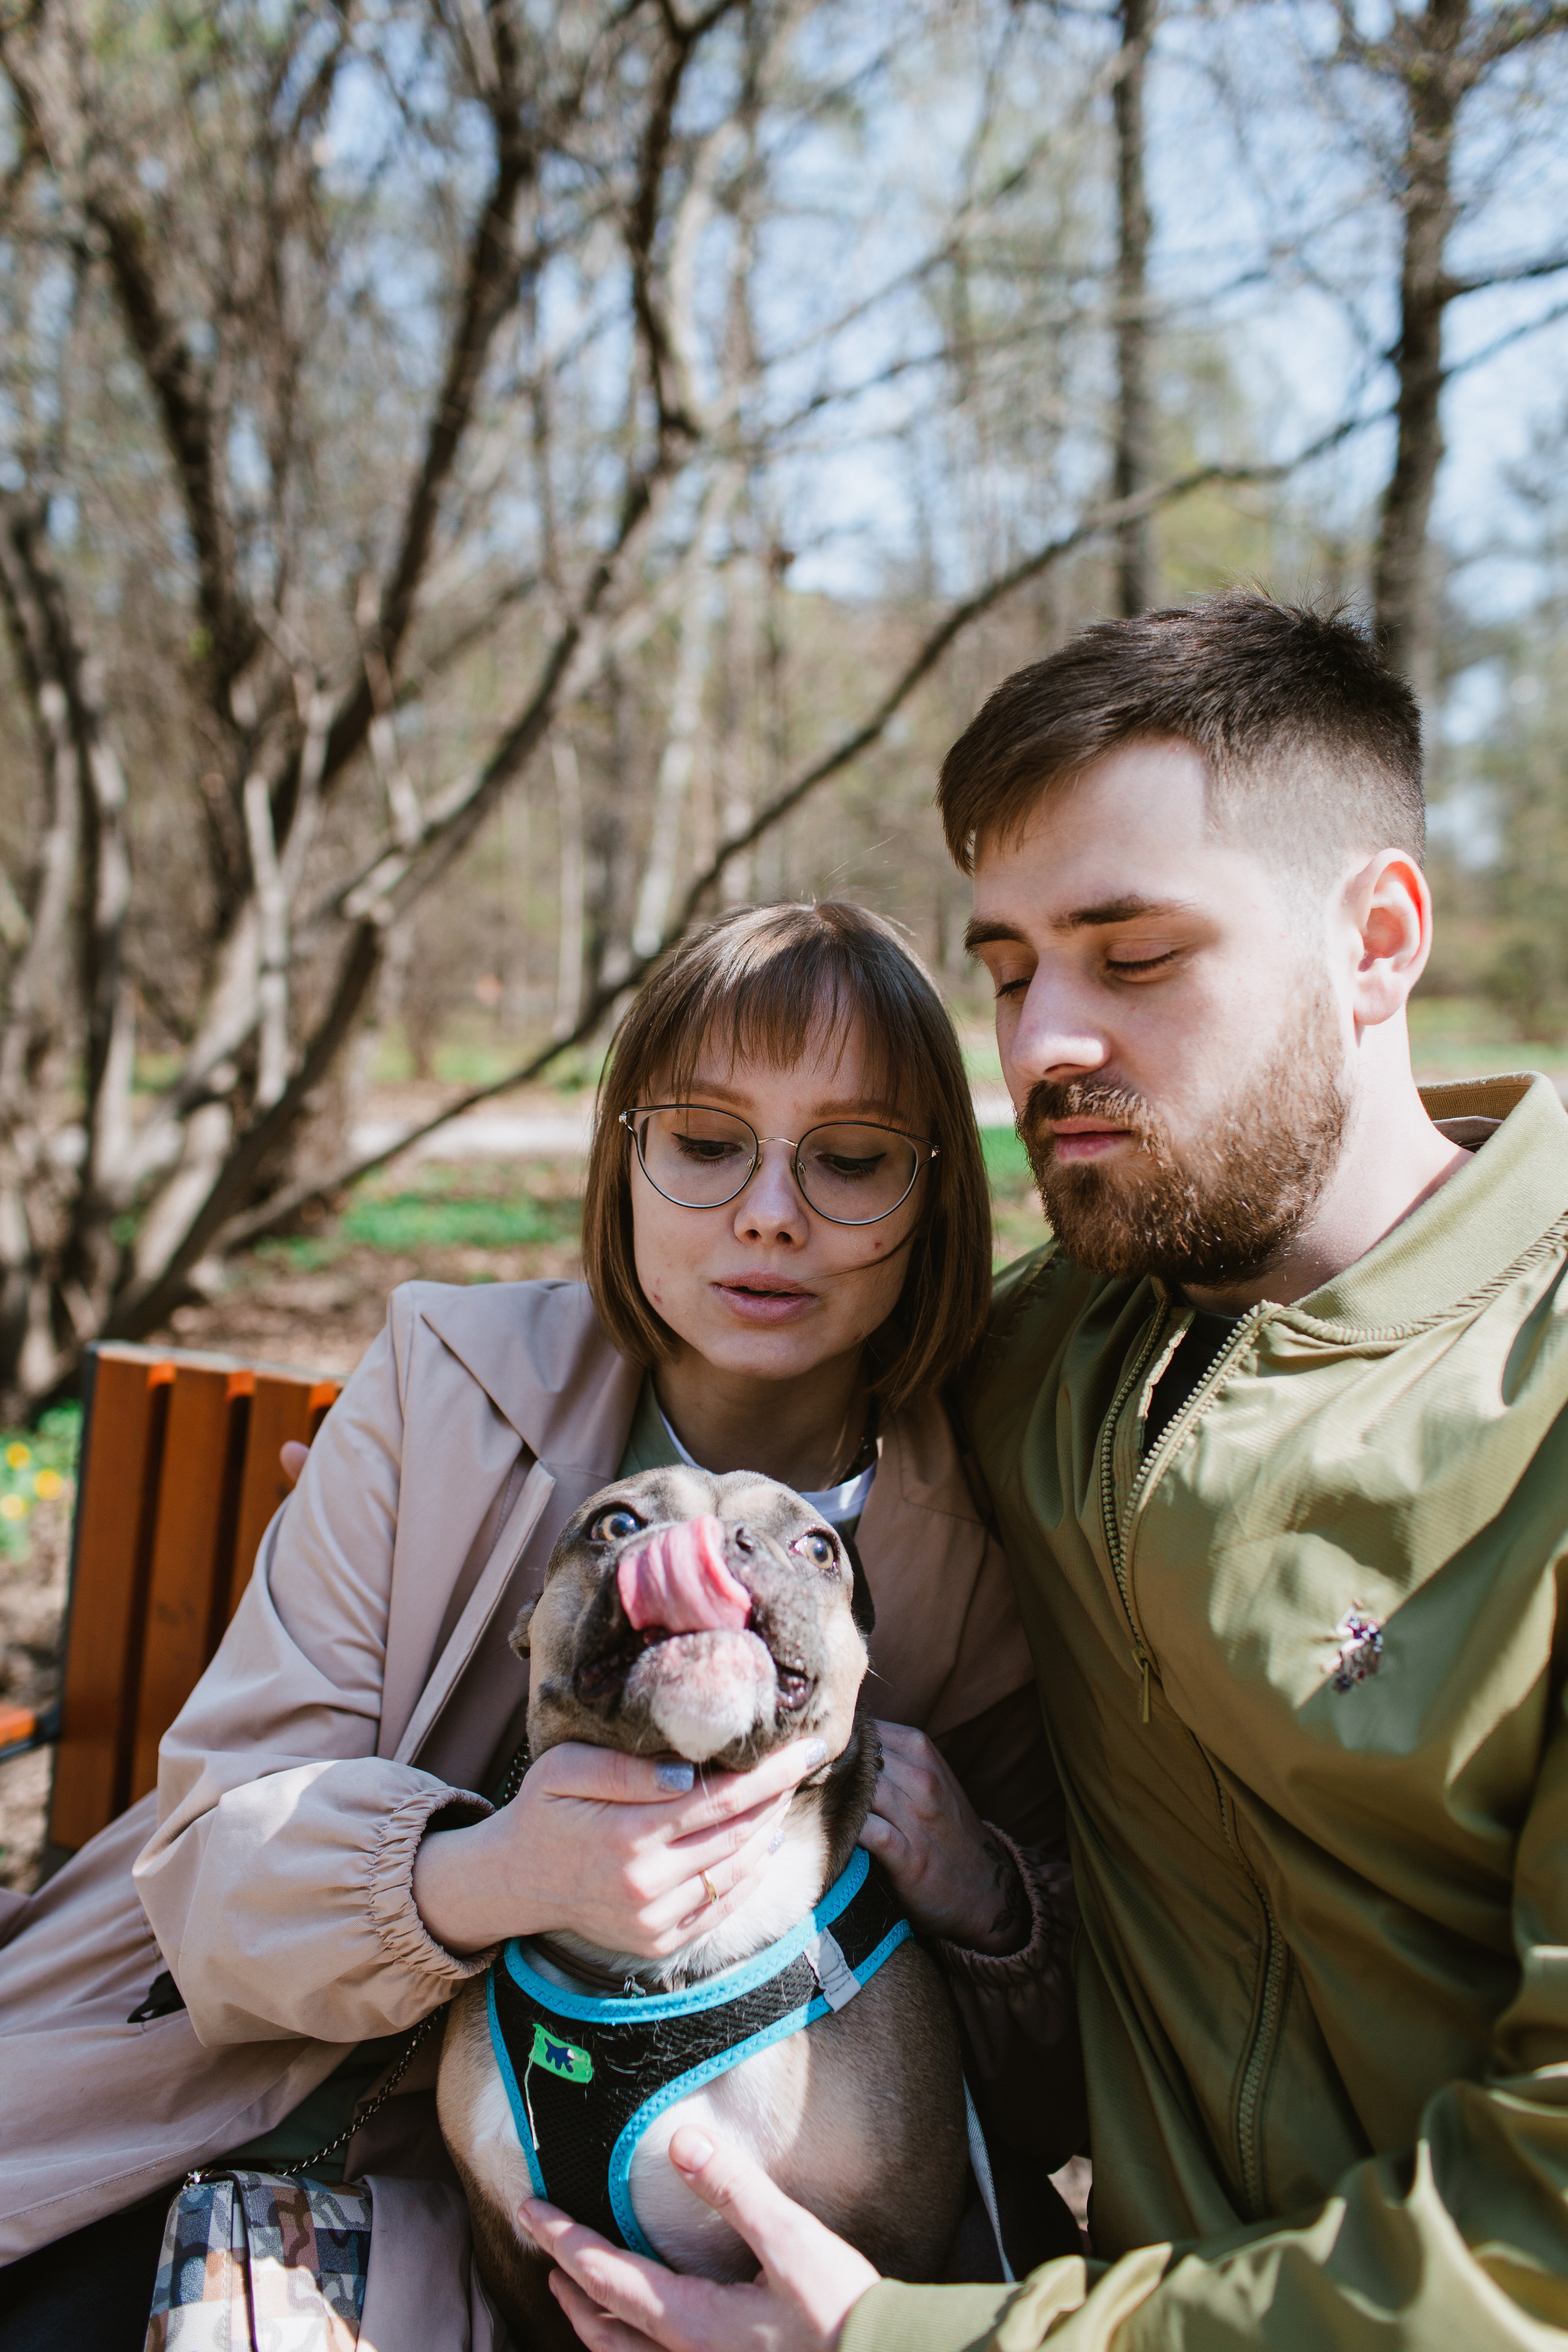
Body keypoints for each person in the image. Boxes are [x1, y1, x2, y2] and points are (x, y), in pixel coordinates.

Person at [522, 591, 1568, 2352]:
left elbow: (1539, 2242)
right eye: (1007, 969)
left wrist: (900, 2345)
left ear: (1377, 937)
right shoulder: (1039, 1361)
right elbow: (767, 1332)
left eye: (1134, 955)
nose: (1039, 1045)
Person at [0, 900, 1082, 2352]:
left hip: (619, 2239)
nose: (770, 1211)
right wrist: (496, 1868)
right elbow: (208, 1878)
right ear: (622, 1158)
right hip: (220, 2114)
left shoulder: (978, 1537)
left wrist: (988, 1903)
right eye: (704, 1144)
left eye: (850, 1161)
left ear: (932, 1200)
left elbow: (1043, 2084)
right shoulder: (442, 1386)